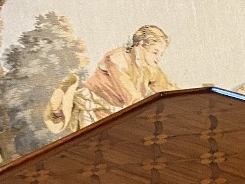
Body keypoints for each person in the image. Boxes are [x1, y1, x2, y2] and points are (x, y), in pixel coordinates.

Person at [44, 25, 176, 135]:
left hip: (113, 113)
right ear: (140, 45)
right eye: (155, 52)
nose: (158, 58)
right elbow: (131, 97)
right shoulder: (117, 58)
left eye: (161, 54)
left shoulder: (150, 68)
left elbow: (169, 89)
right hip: (93, 109)